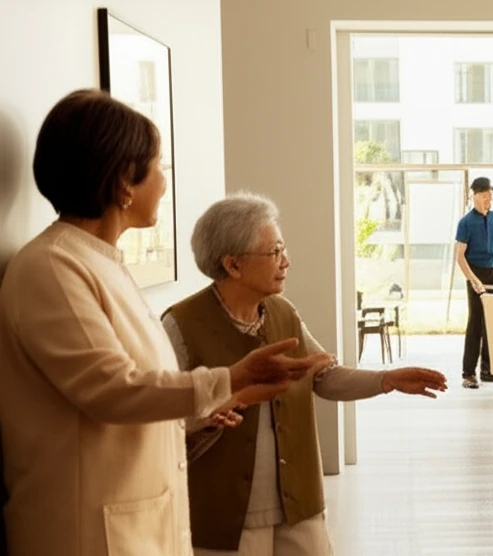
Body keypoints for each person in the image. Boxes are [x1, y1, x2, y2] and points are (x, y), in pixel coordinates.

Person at [0, 89, 332, 556]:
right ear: (122, 182)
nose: (165, 181)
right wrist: (233, 377)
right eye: (159, 167)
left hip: (134, 524)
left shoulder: (102, 263)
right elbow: (111, 389)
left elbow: (147, 393)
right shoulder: (52, 268)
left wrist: (234, 393)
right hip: (87, 532)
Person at [162, 192, 448, 555]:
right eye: (275, 252)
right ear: (233, 265)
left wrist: (386, 380)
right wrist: (211, 413)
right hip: (225, 517)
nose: (287, 262)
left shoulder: (283, 313)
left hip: (298, 507)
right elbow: (163, 416)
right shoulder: (181, 324)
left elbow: (323, 376)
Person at [454, 177, 493, 388]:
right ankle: (468, 374)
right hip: (476, 273)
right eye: (485, 195)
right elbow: (460, 256)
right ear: (475, 196)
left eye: (491, 196)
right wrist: (473, 280)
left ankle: (489, 370)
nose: (489, 199)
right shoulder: (466, 222)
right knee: (476, 323)